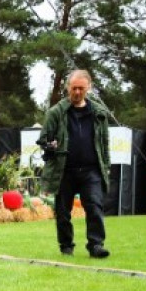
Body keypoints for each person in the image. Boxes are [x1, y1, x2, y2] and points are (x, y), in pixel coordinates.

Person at [37, 70, 111, 258]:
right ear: (67, 88)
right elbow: (43, 139)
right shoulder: (55, 112)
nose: (77, 92)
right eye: (74, 88)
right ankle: (66, 245)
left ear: (89, 88)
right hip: (64, 170)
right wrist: (49, 145)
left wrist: (106, 166)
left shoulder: (99, 113)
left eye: (81, 88)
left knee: (94, 207)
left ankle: (96, 245)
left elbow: (104, 143)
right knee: (63, 212)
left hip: (91, 169)